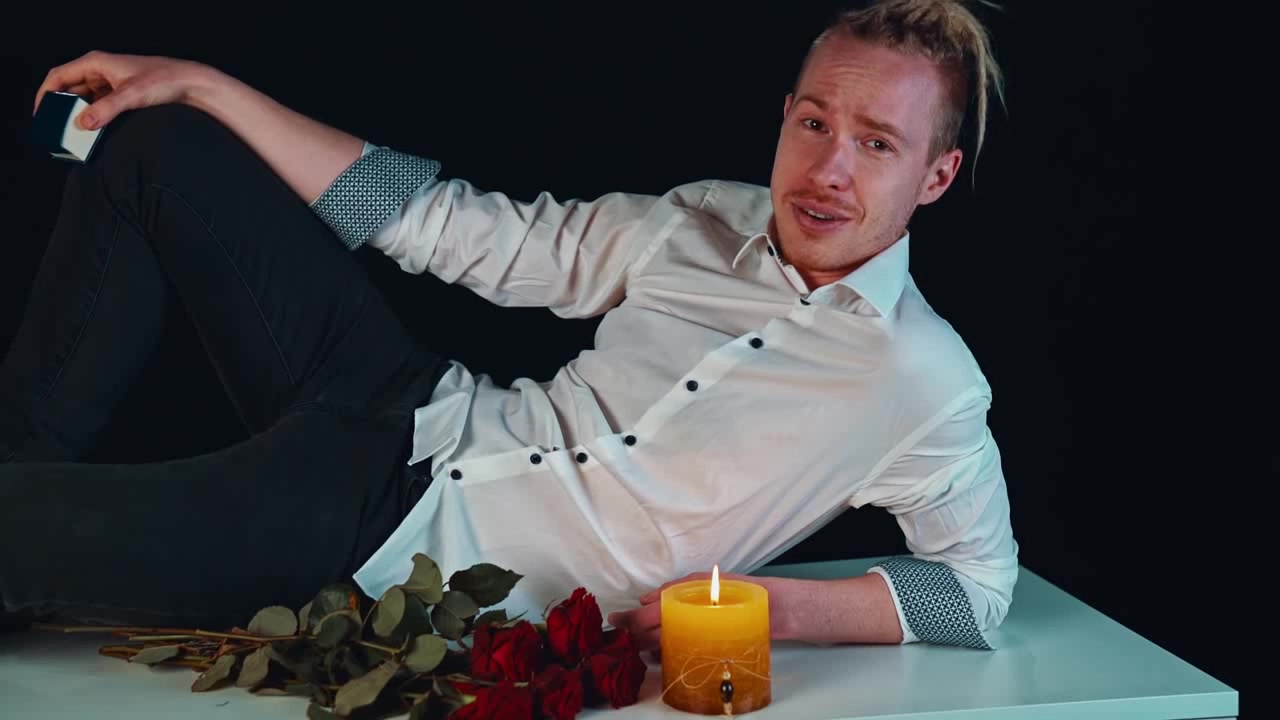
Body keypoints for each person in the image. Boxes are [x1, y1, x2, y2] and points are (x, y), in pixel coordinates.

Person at [1, 0, 1017, 653]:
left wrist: (766, 605)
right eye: (815, 123)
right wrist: (208, 85)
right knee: (159, 144)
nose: (828, 170)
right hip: (397, 403)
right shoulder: (706, 218)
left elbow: (975, 589)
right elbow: (457, 231)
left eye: (876, 144)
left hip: (390, 542)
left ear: (935, 176)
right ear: (787, 112)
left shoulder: (922, 379)